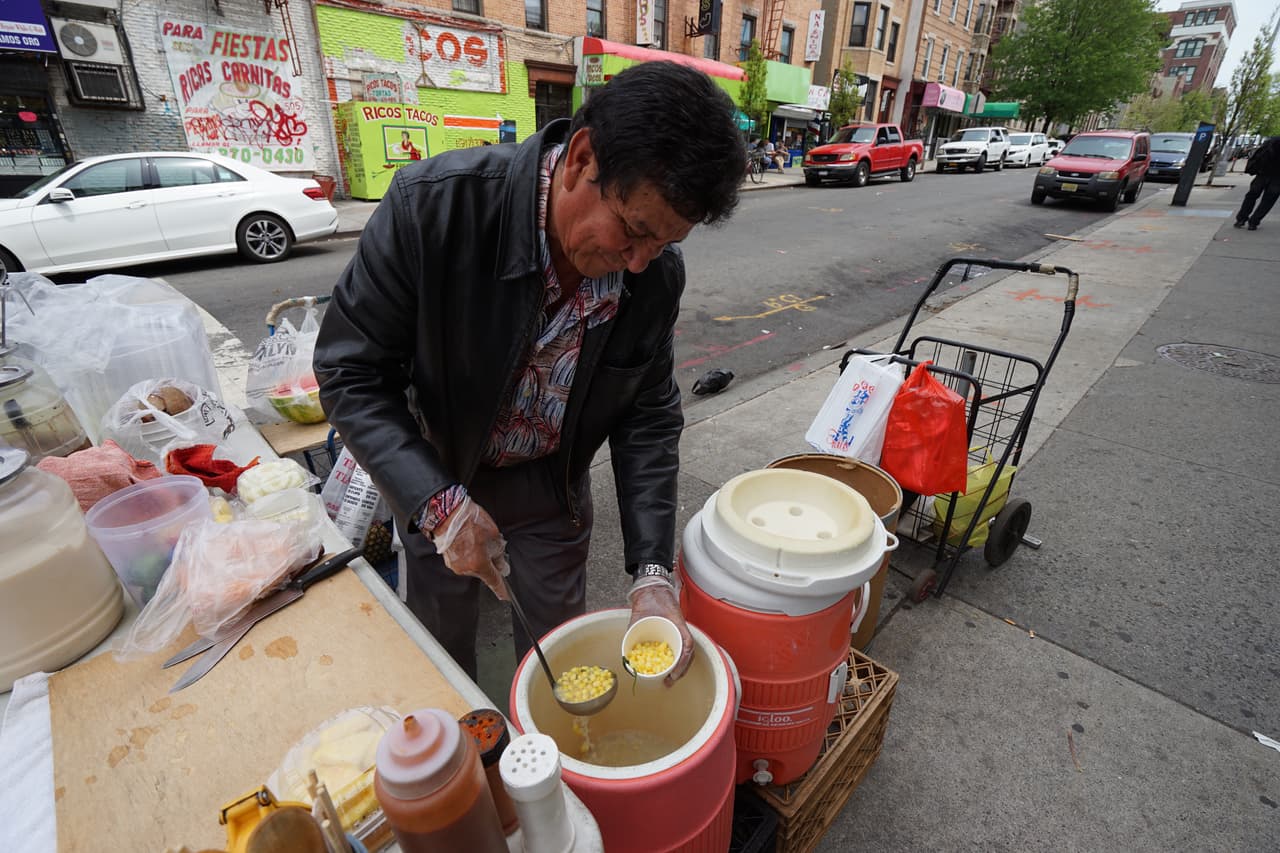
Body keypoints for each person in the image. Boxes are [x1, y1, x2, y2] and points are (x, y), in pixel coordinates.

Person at [314, 62, 745, 686]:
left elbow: (648, 417)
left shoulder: (652, 277)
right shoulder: (432, 208)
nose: (637, 263)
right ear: (581, 159)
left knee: (559, 663)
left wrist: (653, 573)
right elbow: (349, 371)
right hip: (437, 471)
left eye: (664, 243)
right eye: (634, 231)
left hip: (552, 490)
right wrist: (439, 507)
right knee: (441, 660)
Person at [1235, 136, 1280, 231]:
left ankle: (1241, 219)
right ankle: (1254, 222)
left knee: (1251, 196)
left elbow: (1258, 155)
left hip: (1262, 174)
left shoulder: (1272, 141)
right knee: (1268, 201)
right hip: (1277, 178)